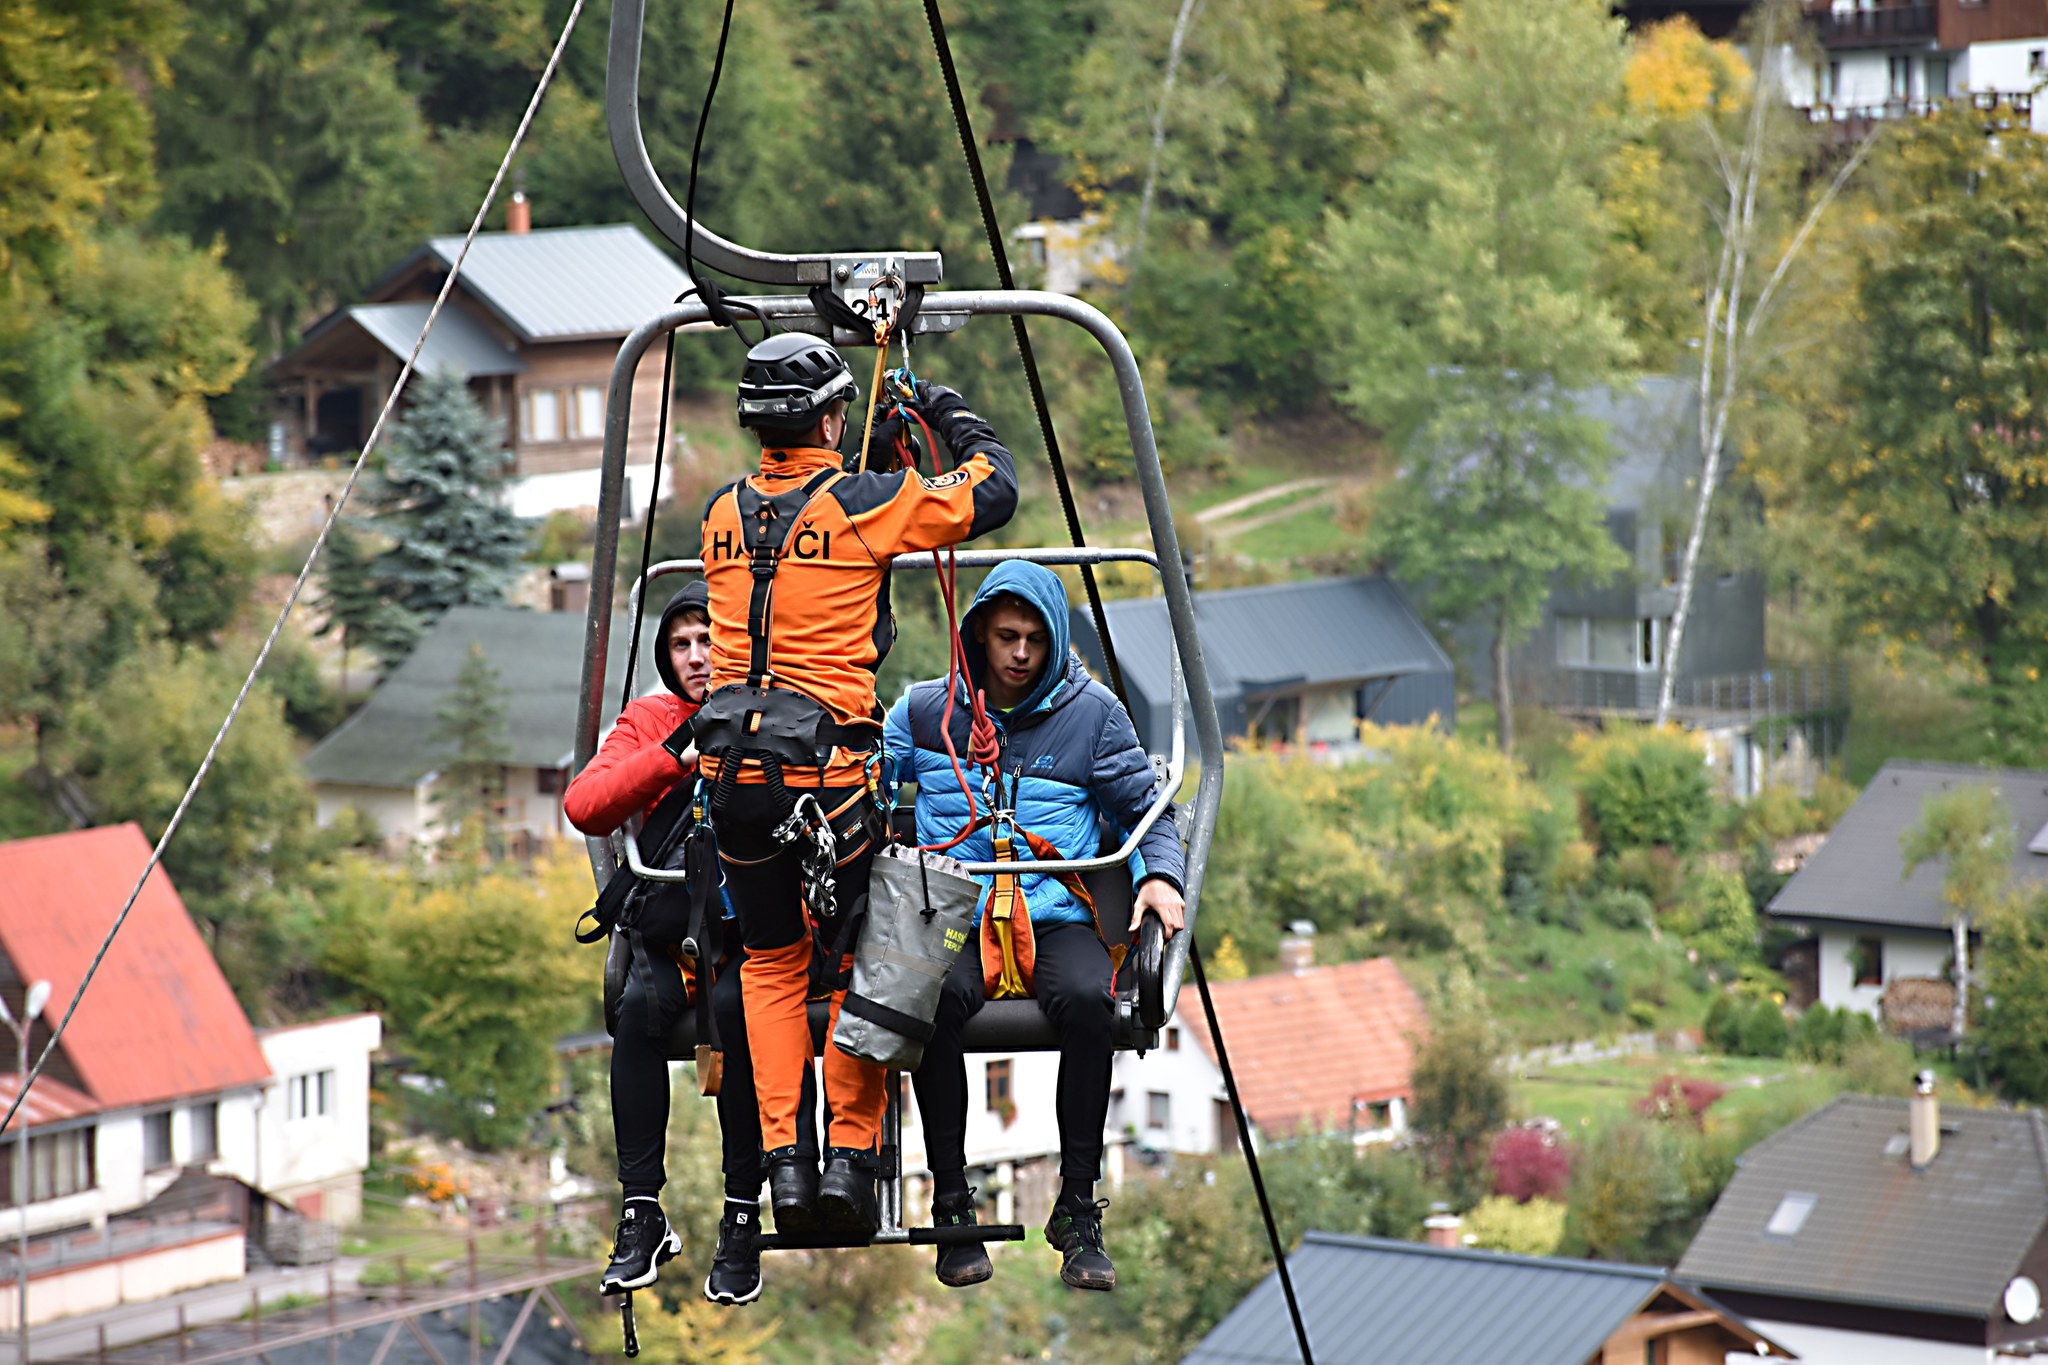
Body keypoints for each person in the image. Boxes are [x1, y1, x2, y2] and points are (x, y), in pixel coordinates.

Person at [694, 332, 1018, 1236]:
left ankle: (784, 1167)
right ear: (832, 415)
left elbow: (805, 527)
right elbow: (992, 486)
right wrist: (942, 408)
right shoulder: (865, 505)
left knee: (769, 959)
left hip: (733, 781)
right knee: (851, 961)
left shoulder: (719, 513)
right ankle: (848, 1153)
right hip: (827, 780)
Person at [884, 561, 1185, 1291]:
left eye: (1034, 639)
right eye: (1006, 637)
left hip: (1051, 913)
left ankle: (1078, 1205)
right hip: (956, 910)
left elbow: (1147, 812)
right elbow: (865, 783)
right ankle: (953, 1198)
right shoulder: (926, 712)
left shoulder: (1094, 715)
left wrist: (1158, 877)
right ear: (979, 635)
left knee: (1090, 1000)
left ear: (1053, 642)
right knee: (928, 997)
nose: (1019, 654)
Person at [566, 583, 812, 1305]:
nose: (698, 656)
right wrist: (676, 751)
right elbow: (586, 803)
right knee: (641, 1011)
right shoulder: (652, 720)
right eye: (682, 644)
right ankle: (641, 1206)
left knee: (738, 1014)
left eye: (709, 639)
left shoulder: (775, 709)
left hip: (753, 931)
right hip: (677, 926)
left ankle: (742, 1210)